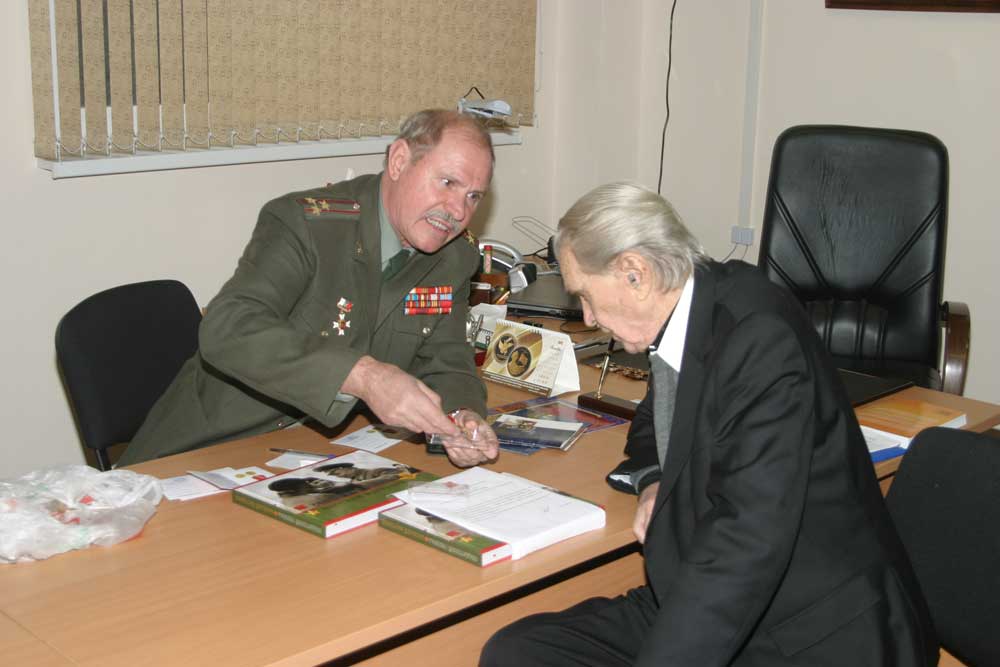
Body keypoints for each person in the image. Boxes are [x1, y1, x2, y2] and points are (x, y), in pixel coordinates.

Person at [480, 182, 937, 666]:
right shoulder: (688, 311)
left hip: (804, 629)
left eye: (585, 296)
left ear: (635, 273)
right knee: (519, 653)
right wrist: (653, 480)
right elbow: (653, 421)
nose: (588, 317)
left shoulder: (759, 339)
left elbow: (747, 541)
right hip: (704, 587)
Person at [118, 109, 499, 469]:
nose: (458, 211)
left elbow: (446, 356)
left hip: (315, 451)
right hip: (210, 446)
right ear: (399, 161)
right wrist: (365, 377)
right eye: (448, 182)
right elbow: (228, 327)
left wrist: (462, 415)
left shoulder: (453, 257)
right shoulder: (306, 224)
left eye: (473, 196)